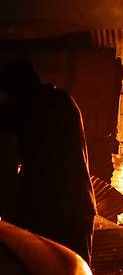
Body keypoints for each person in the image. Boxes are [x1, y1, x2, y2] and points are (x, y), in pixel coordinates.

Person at [0, 59, 96, 263]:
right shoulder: (59, 101)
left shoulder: (43, 106)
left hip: (59, 209)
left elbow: (12, 117)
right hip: (71, 206)